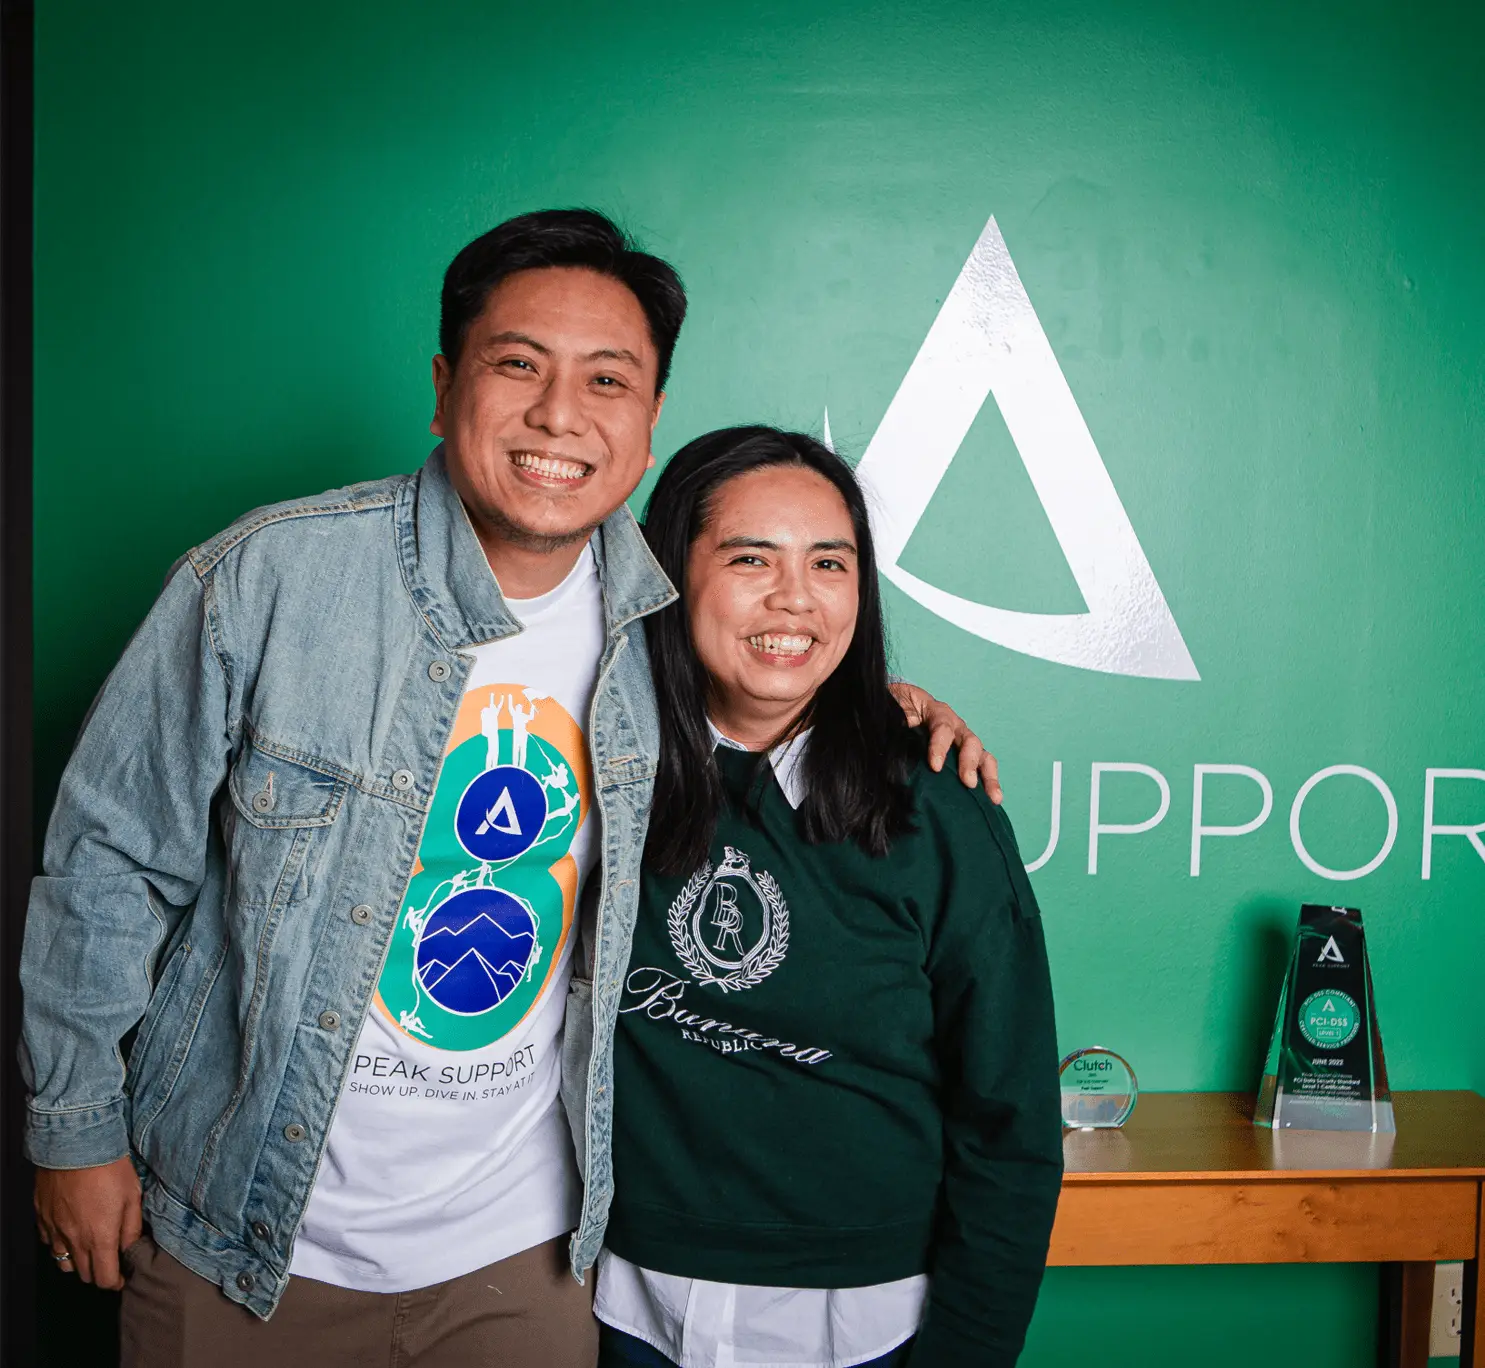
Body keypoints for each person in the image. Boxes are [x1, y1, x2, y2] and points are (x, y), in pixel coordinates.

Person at [19, 210, 1001, 1367]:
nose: (558, 415)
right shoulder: (268, 579)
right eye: (517, 365)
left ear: (648, 429)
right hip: (242, 1242)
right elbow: (107, 860)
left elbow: (776, 655)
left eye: (607, 381)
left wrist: (883, 704)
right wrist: (70, 1132)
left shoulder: (662, 630)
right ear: (445, 387)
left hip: (521, 1267)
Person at [592, 427, 1063, 1368]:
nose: (794, 598)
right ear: (668, 572)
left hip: (867, 1326)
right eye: (749, 558)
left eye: (829, 563)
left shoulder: (935, 807)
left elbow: (1009, 1121)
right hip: (622, 1307)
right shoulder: (596, 773)